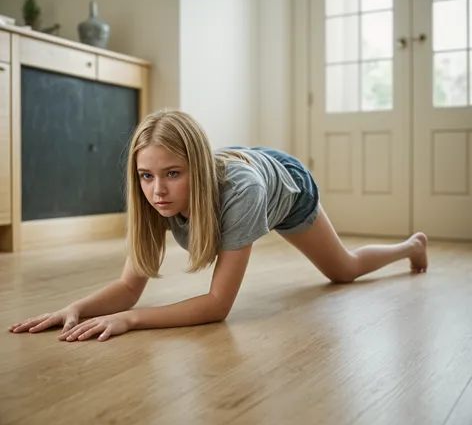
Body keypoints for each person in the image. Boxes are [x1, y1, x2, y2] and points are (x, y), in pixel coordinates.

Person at [8, 110, 428, 342]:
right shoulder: (152, 198)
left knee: (344, 271)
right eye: (146, 175)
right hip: (241, 164)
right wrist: (75, 308)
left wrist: (131, 321)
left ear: (197, 169)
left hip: (284, 183)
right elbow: (129, 288)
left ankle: (411, 245)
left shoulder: (239, 193)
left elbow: (217, 306)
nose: (157, 190)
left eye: (173, 173)